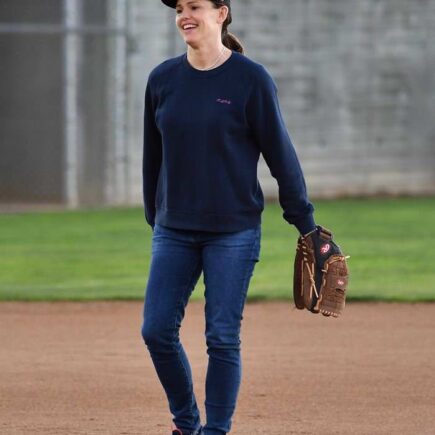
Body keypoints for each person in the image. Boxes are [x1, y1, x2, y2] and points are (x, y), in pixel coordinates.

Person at [141, 1, 316, 434]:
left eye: (195, 6)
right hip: (174, 230)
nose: (185, 14)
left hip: (233, 231)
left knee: (221, 337)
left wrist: (305, 222)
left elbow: (281, 155)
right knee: (156, 330)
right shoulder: (162, 79)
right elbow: (152, 156)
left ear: (221, 13)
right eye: (180, 8)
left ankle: (215, 431)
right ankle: (186, 423)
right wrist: (155, 214)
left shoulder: (249, 79)